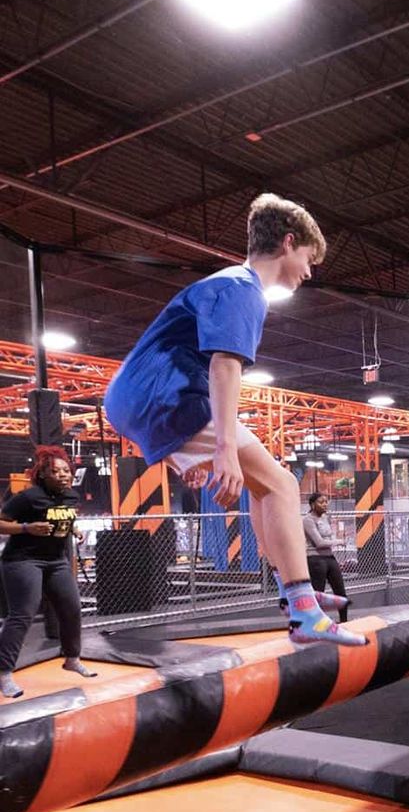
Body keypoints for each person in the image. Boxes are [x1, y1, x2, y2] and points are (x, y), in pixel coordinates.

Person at [104, 193, 366, 647]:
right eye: (308, 259)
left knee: (267, 485)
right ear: (288, 243)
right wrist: (224, 448)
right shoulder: (243, 289)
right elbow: (224, 366)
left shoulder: (227, 284)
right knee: (283, 485)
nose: (308, 272)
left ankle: (295, 596)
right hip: (163, 394)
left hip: (139, 398)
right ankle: (303, 606)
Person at [0, 445, 97, 698]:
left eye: (67, 470)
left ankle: (72, 659)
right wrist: (25, 528)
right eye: (57, 471)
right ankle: (4, 673)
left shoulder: (71, 497)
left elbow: (66, 517)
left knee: (72, 607)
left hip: (56, 561)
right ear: (43, 475)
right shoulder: (29, 497)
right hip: (23, 560)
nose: (64, 475)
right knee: (23, 614)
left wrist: (74, 530)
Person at [303, 492, 349, 610]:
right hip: (315, 559)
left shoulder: (325, 518)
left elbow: (329, 537)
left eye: (326, 502)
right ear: (313, 505)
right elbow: (319, 543)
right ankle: (317, 623)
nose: (324, 504)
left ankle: (344, 622)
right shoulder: (308, 520)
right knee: (319, 594)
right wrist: (339, 542)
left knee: (341, 592)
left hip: (329, 557)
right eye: (321, 502)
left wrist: (334, 540)